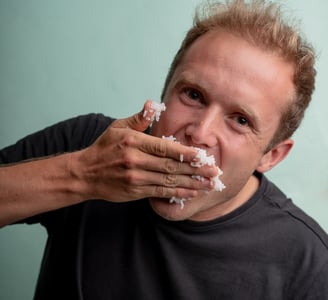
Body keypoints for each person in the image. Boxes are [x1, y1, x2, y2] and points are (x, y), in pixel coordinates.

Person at [0, 0, 327, 299]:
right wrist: (82, 176)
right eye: (193, 95)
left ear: (272, 155)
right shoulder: (89, 146)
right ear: (165, 93)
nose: (200, 133)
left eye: (240, 120)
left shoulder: (309, 264)